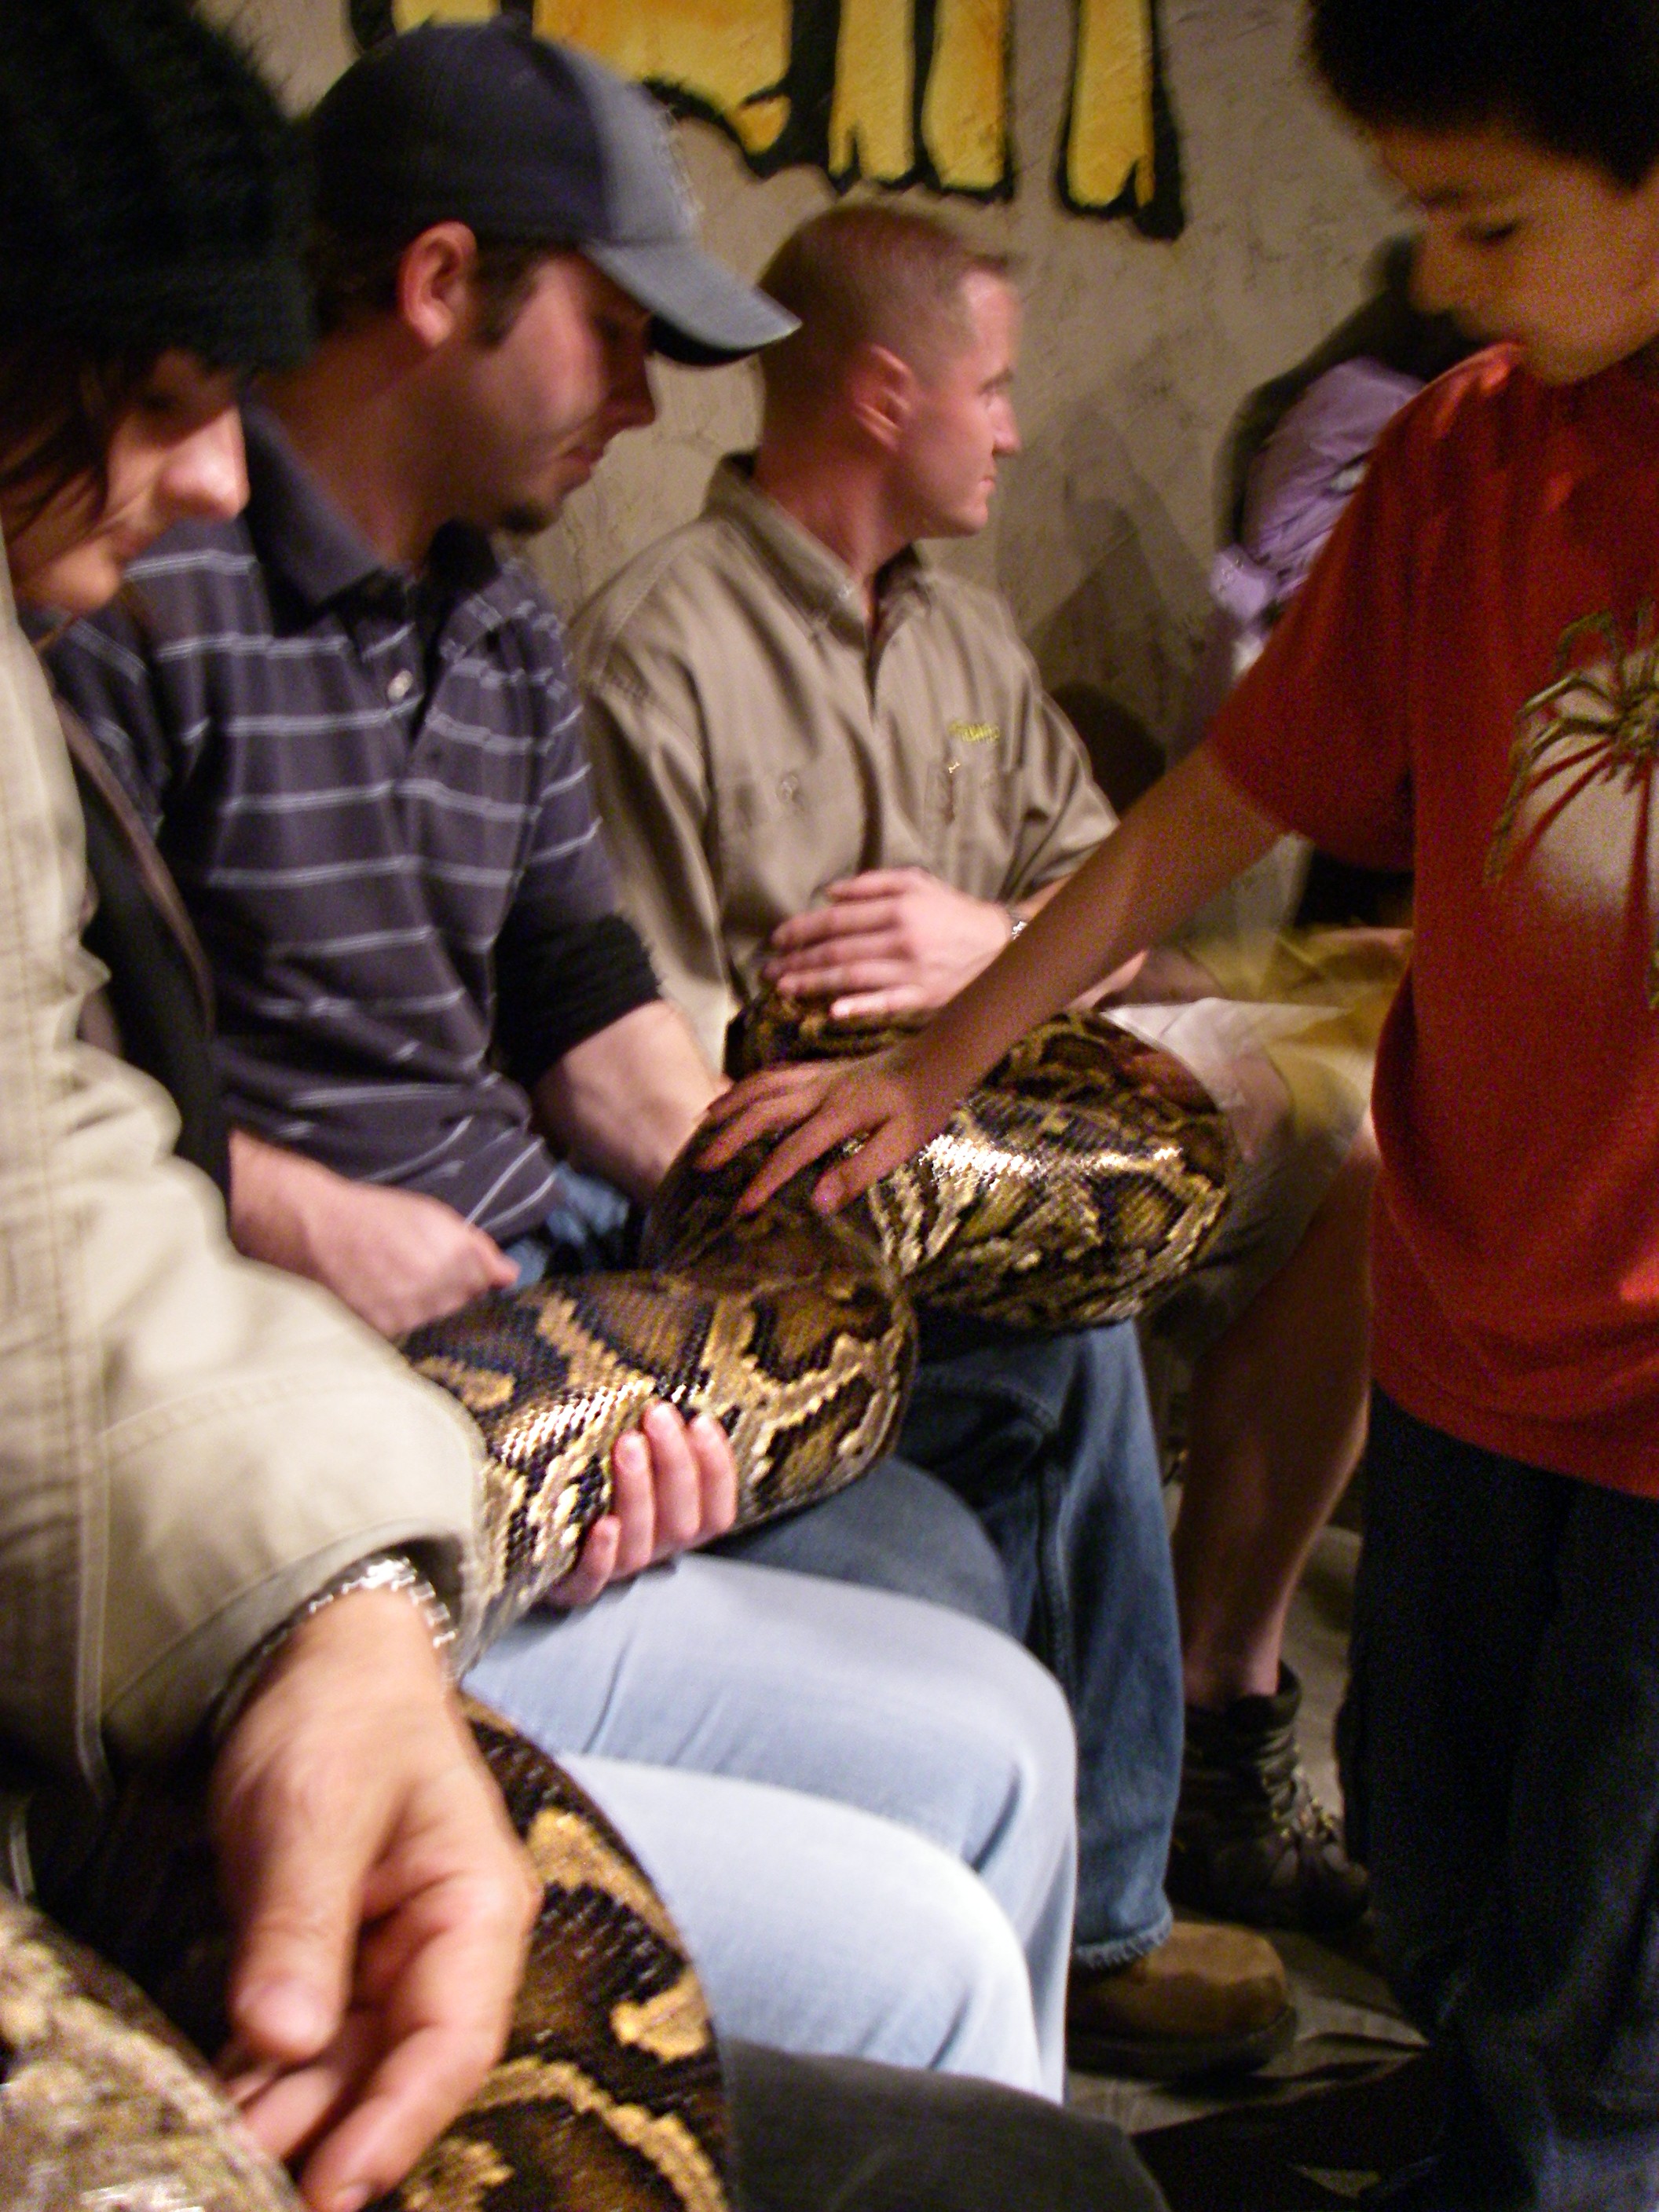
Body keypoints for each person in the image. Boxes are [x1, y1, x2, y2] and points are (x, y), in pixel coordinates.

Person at [48, 17, 1083, 2096]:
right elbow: (56, 1111)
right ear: (443, 284)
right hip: (318, 1367)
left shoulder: (502, 621)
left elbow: (585, 1010)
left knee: (1012, 1650)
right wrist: (314, 1219)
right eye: (615, 337)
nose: (648, 400)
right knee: (931, 1857)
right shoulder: (121, 583)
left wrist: (782, 1176)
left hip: (544, 1320)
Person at [704, 0, 1659, 2199]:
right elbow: (1221, 799)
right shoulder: (1468, 457)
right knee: (1446, 1879)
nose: (1436, 280)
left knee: (1599, 1999)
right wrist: (935, 1061)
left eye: (1487, 220)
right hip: (1471, 1336)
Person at [571, 201, 1371, 1950]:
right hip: (801, 1200)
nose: (1013, 430)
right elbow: (654, 1074)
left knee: (1360, 1146)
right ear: (884, 394)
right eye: (993, 389)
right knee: (1070, 1323)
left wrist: (986, 944)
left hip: (1003, 1126)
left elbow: (1126, 928)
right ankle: (1115, 1907)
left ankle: (1229, 1700)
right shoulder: (659, 647)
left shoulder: (971, 642)